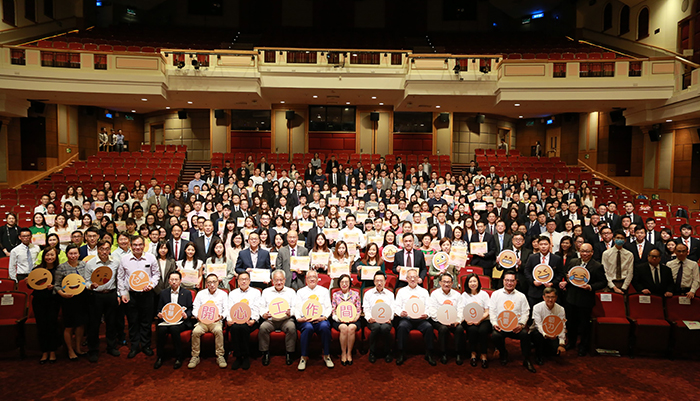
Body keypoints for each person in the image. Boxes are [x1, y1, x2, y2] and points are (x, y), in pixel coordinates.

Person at [559, 243, 606, 356]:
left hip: (585, 300)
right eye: (583, 251)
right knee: (571, 323)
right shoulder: (573, 262)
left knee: (584, 325)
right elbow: (567, 275)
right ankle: (571, 342)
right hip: (571, 298)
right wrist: (566, 281)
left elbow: (603, 282)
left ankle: (583, 346)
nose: (585, 254)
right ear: (579, 251)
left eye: (587, 251)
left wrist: (590, 287)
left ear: (592, 252)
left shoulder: (597, 266)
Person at [117, 235, 160, 358]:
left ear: (144, 245)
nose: (138, 247)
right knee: (132, 321)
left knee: (146, 322)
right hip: (131, 295)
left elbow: (156, 274)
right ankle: (134, 346)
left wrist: (151, 285)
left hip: (147, 294)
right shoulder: (124, 259)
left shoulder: (151, 258)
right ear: (130, 246)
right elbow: (120, 277)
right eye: (135, 245)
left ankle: (146, 345)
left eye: (140, 244)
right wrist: (123, 293)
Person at [489, 271, 536, 373]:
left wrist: (521, 324)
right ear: (503, 281)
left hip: (516, 327)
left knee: (525, 335)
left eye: (512, 281)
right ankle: (503, 353)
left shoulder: (521, 296)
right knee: (495, 335)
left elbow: (526, 312)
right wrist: (494, 324)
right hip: (501, 326)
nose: (509, 283)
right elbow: (492, 311)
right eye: (507, 280)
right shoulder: (495, 294)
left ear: (516, 282)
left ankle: (526, 359)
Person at [85, 240, 121, 363]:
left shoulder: (115, 262)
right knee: (94, 324)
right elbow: (86, 281)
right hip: (96, 296)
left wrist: (119, 295)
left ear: (110, 249)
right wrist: (90, 286)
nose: (104, 252)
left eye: (106, 249)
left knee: (112, 322)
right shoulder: (90, 263)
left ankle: (111, 347)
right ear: (97, 250)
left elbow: (119, 279)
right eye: (101, 249)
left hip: (111, 294)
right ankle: (93, 350)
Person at [53, 244, 90, 360]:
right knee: (69, 326)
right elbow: (57, 285)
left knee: (80, 325)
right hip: (68, 300)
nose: (73, 256)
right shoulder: (61, 267)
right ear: (66, 254)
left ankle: (78, 348)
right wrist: (63, 294)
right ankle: (70, 350)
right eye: (71, 253)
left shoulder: (84, 265)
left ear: (79, 254)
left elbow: (88, 281)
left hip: (82, 298)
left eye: (75, 253)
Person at [394, 269, 435, 366]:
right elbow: (396, 307)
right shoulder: (401, 291)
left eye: (414, 277)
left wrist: (426, 314)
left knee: (429, 327)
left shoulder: (424, 292)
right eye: (410, 277)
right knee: (402, 327)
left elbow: (429, 306)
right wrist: (401, 313)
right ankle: (401, 353)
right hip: (407, 318)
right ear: (407, 279)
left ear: (418, 278)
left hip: (420, 319)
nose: (412, 279)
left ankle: (429, 353)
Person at [294, 270, 334, 370]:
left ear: (317, 279)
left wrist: (324, 317)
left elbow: (328, 307)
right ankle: (303, 357)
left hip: (320, 318)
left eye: (314, 277)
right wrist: (300, 318)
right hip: (305, 319)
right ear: (306, 279)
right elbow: (297, 307)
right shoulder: (300, 291)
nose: (312, 279)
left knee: (325, 326)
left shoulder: (324, 291)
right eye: (309, 277)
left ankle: (327, 355)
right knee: (307, 328)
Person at [188, 273, 228, 369]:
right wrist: (198, 316)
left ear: (218, 282)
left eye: (214, 282)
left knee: (218, 331)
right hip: (203, 322)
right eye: (209, 282)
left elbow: (227, 309)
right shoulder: (201, 293)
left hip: (216, 322)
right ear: (206, 283)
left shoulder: (223, 294)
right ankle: (195, 356)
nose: (212, 284)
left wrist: (221, 316)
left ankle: (220, 356)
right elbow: (195, 307)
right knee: (195, 332)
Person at [154, 271, 193, 369]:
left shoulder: (187, 293)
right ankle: (160, 356)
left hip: (181, 321)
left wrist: (186, 315)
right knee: (161, 330)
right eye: (172, 280)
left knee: (174, 328)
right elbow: (159, 309)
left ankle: (179, 357)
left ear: (180, 281)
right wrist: (159, 314)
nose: (174, 282)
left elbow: (190, 308)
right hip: (166, 321)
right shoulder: (163, 293)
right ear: (168, 281)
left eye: (176, 280)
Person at [257, 269, 297, 366]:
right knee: (263, 328)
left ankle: (289, 353)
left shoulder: (291, 292)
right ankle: (265, 353)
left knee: (291, 327)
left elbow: (296, 307)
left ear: (285, 280)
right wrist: (264, 314)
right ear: (272, 281)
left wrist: (291, 312)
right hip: (271, 319)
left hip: (286, 319)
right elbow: (261, 307)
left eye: (281, 280)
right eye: (276, 280)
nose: (279, 282)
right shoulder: (266, 292)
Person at [31, 246, 61, 363]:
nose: (50, 257)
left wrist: (54, 287)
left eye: (52, 255)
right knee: (42, 326)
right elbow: (31, 285)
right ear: (44, 257)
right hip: (39, 300)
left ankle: (53, 351)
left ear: (56, 256)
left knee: (52, 325)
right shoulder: (37, 269)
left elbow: (62, 285)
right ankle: (44, 351)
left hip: (53, 301)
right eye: (47, 255)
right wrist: (30, 282)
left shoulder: (59, 270)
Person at [226, 271, 261, 370]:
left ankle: (245, 357)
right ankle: (238, 357)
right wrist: (229, 319)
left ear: (249, 281)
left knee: (244, 328)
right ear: (238, 281)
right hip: (236, 319)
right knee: (235, 328)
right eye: (241, 279)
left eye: (246, 279)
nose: (244, 282)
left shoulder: (256, 292)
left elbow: (257, 308)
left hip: (250, 319)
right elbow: (229, 308)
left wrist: (253, 319)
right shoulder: (233, 293)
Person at [428, 272, 463, 364]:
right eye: (444, 282)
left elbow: (461, 310)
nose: (446, 284)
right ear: (440, 283)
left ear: (452, 283)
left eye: (449, 282)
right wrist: (442, 321)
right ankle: (443, 353)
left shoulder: (457, 295)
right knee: (443, 329)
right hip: (438, 320)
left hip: (453, 320)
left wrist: (457, 320)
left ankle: (458, 353)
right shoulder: (434, 294)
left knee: (459, 329)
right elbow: (432, 310)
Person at [457, 273, 491, 368]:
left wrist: (480, 319)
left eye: (474, 281)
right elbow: (462, 310)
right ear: (467, 283)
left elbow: (487, 311)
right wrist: (467, 319)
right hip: (469, 320)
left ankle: (484, 354)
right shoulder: (464, 295)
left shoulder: (484, 294)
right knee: (472, 330)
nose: (472, 283)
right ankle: (473, 354)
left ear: (478, 282)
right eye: (470, 281)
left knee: (483, 330)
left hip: (483, 319)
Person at [362, 271, 395, 363]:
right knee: (376, 327)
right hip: (373, 320)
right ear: (374, 282)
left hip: (386, 320)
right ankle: (372, 352)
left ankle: (387, 352)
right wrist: (369, 318)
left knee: (385, 328)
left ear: (385, 281)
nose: (379, 283)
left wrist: (390, 318)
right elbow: (366, 308)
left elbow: (392, 308)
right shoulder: (368, 294)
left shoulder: (390, 294)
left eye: (381, 281)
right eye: (377, 281)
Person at [530, 287, 566, 366]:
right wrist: (546, 334)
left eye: (552, 297)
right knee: (537, 335)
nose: (550, 300)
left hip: (553, 334)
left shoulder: (561, 309)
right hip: (539, 332)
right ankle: (538, 356)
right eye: (548, 297)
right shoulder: (537, 307)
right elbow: (538, 324)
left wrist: (561, 344)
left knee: (554, 353)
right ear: (543, 297)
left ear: (556, 297)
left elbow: (562, 326)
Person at [523, 236, 564, 307]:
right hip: (535, 292)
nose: (543, 247)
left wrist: (552, 283)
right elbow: (527, 271)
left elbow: (560, 273)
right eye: (541, 244)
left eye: (545, 244)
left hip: (551, 292)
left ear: (550, 245)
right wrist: (533, 282)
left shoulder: (557, 258)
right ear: (538, 245)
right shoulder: (532, 257)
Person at [331, 274, 361, 366]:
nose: (344, 284)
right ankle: (343, 353)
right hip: (339, 320)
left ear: (350, 283)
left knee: (351, 328)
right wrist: (339, 319)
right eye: (342, 282)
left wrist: (355, 318)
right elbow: (333, 311)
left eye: (346, 282)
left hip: (353, 320)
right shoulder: (335, 295)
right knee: (344, 328)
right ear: (339, 283)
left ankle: (349, 353)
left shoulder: (355, 294)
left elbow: (359, 310)